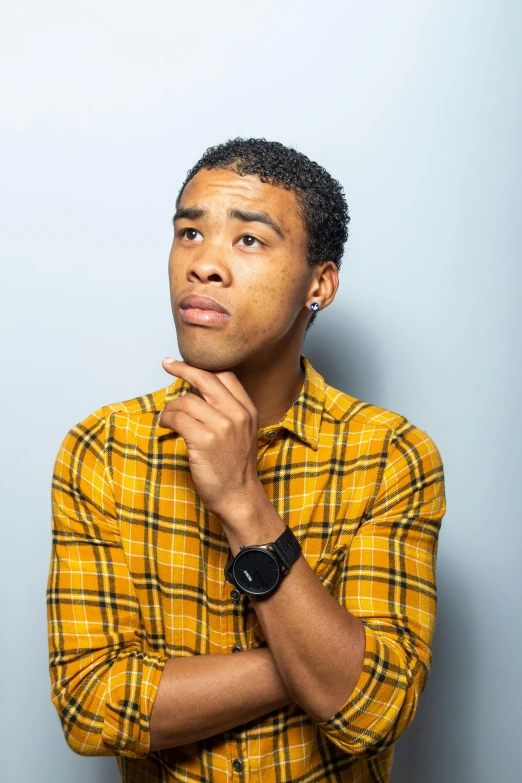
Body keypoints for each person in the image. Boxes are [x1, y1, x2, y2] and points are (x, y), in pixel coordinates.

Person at [47, 137, 446, 783]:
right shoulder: (103, 448)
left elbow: (375, 709)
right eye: (188, 232)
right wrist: (311, 660)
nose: (204, 264)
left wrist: (242, 501)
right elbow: (90, 706)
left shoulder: (390, 455)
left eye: (250, 240)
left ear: (320, 283)